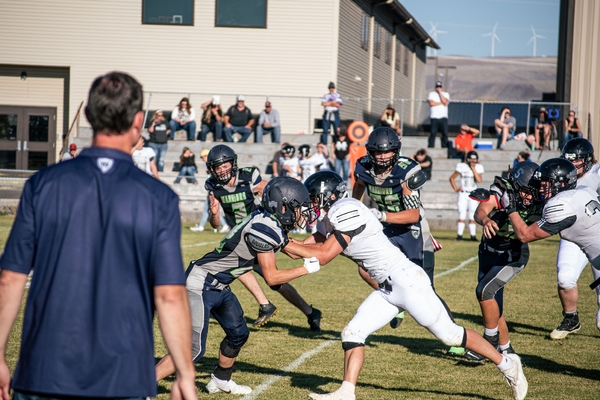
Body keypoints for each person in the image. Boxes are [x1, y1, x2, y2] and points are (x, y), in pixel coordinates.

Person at [0, 71, 196, 400]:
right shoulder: (158, 197)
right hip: (123, 377)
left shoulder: (42, 184)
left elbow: (10, 279)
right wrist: (185, 374)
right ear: (138, 119)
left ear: (89, 116)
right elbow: (170, 296)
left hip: (45, 372)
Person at [282, 171, 528, 400]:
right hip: (387, 288)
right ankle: (347, 392)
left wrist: (283, 242)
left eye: (314, 199)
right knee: (353, 332)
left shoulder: (345, 209)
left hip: (406, 280)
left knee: (451, 335)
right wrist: (277, 239)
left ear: (329, 196)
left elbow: (323, 255)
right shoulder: (329, 220)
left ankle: (507, 364)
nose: (310, 205)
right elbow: (305, 248)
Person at [155, 177, 321, 395]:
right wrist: (306, 269)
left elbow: (292, 248)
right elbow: (271, 277)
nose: (302, 212)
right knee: (192, 350)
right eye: (298, 207)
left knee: (238, 333)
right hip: (200, 284)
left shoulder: (268, 220)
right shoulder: (264, 228)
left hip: (219, 284)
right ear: (283, 206)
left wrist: (328, 251)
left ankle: (220, 380)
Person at [205, 145, 322, 330]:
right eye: (217, 167)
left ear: (233, 163)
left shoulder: (247, 177)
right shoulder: (213, 186)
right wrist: (213, 213)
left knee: (241, 266)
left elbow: (276, 191)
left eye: (225, 165)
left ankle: (265, 304)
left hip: (260, 233)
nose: (222, 170)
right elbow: (216, 224)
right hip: (242, 239)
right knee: (275, 281)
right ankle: (310, 312)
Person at [353, 127, 437, 330]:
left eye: (387, 151)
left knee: (425, 288)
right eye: (378, 152)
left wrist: (380, 215)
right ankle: (397, 303)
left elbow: (413, 214)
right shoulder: (363, 167)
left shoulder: (407, 170)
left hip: (412, 228)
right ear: (370, 152)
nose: (382, 157)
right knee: (366, 270)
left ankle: (457, 338)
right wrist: (353, 208)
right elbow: (359, 186)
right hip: (387, 227)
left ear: (396, 151)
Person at [506, 159, 600, 338]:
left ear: (561, 184)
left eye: (545, 184)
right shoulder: (582, 190)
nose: (541, 189)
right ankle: (571, 319)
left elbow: (524, 235)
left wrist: (510, 208)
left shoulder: (561, 205)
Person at [462, 162, 542, 363]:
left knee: (484, 291)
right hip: (488, 251)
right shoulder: (502, 191)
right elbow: (480, 211)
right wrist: (486, 220)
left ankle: (489, 342)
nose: (528, 197)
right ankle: (507, 350)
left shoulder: (543, 200)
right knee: (494, 304)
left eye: (532, 192)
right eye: (525, 191)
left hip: (513, 255)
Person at [547, 138, 600, 339]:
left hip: (597, 236)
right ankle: (571, 318)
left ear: (587, 159)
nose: (574, 164)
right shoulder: (563, 172)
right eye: (570, 160)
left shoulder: (597, 172)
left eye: (578, 160)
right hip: (572, 235)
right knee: (565, 277)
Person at [190, 149, 228, 232]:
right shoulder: (211, 166)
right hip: (213, 190)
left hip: (214, 191)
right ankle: (202, 225)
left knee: (211, 209)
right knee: (209, 209)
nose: (202, 159)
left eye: (203, 157)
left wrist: (212, 192)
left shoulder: (212, 166)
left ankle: (224, 224)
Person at [449, 151, 484, 241]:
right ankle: (459, 235)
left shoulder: (478, 167)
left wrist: (473, 169)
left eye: (474, 159)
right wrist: (456, 189)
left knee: (472, 214)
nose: (472, 161)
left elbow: (479, 180)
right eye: (471, 159)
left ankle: (473, 236)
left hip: (473, 193)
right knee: (462, 214)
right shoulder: (462, 166)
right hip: (463, 193)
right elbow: (452, 178)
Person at [427, 81, 450, 148]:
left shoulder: (446, 94)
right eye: (437, 86)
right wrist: (441, 103)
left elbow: (445, 101)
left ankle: (444, 145)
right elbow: (431, 103)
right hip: (434, 117)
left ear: (442, 87)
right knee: (433, 132)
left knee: (444, 133)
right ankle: (431, 145)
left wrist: (440, 93)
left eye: (440, 87)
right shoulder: (431, 94)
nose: (438, 88)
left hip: (443, 117)